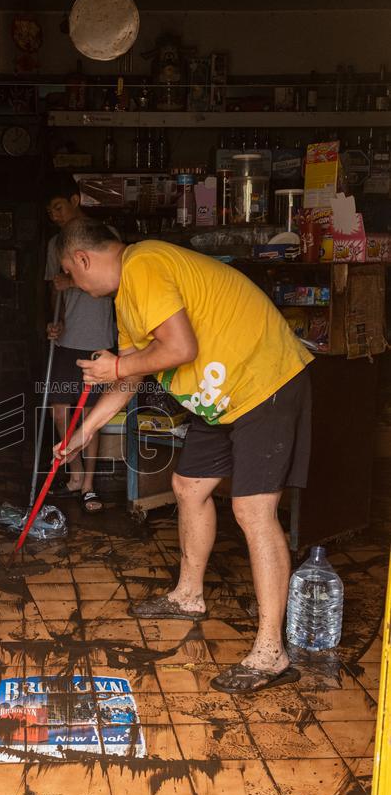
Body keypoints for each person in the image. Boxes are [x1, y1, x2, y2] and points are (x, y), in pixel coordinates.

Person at [53, 217, 313, 695]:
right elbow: (131, 376)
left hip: (263, 383)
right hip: (221, 397)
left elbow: (179, 347)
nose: (75, 284)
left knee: (253, 510)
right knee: (188, 486)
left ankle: (271, 652)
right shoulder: (127, 298)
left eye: (71, 272)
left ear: (83, 259)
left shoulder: (144, 263)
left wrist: (118, 364)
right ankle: (188, 595)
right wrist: (85, 430)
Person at [42, 175, 117, 514]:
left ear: (75, 200)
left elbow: (115, 287)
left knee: (90, 413)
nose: (55, 215)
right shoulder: (55, 244)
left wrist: (70, 282)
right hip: (67, 339)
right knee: (60, 408)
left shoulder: (104, 236)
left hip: (98, 336)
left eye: (59, 207)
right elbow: (52, 288)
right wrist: (55, 322)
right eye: (50, 211)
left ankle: (89, 484)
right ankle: (74, 474)